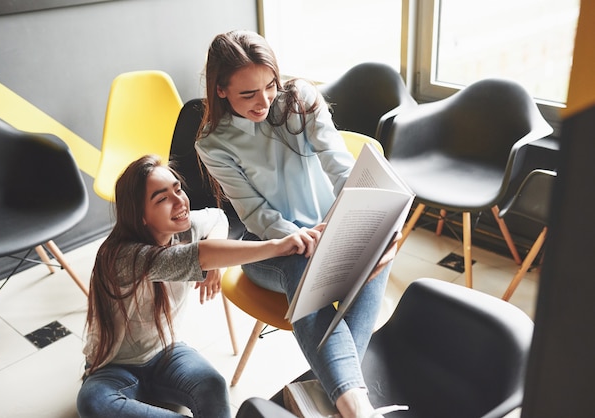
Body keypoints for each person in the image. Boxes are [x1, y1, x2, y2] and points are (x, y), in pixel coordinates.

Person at [195, 30, 400, 418]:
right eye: (248, 94)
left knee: (380, 244)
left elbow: (340, 165)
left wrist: (364, 217)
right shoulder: (213, 142)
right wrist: (299, 239)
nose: (264, 101)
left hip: (332, 231)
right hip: (270, 250)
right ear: (220, 90)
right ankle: (353, 405)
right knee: (301, 263)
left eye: (270, 85)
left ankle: (342, 404)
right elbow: (255, 214)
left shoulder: (300, 100)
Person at [76, 154, 324, 418]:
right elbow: (196, 255)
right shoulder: (122, 257)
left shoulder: (183, 228)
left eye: (177, 189)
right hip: (112, 369)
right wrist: (278, 246)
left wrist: (216, 266)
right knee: (92, 402)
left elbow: (217, 218)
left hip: (166, 353)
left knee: (212, 384)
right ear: (141, 217)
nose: (179, 201)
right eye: (162, 198)